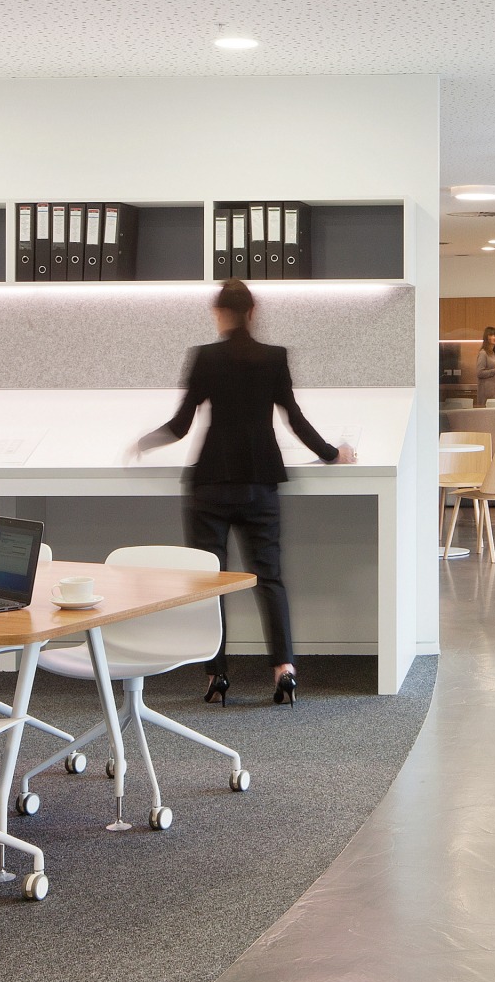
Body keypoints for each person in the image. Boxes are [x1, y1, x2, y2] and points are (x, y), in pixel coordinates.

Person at [138, 280, 355, 704]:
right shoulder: (274, 358)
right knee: (269, 578)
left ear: (218, 312)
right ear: (253, 312)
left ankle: (217, 676)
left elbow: (181, 424)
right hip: (259, 483)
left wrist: (142, 443)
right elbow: (293, 417)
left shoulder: (205, 358)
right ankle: (284, 668)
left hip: (211, 485)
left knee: (212, 582)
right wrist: (333, 454)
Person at [474, 326, 495, 405]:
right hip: (488, 393)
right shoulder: (483, 353)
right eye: (493, 335)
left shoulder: (494, 354)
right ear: (487, 337)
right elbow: (479, 373)